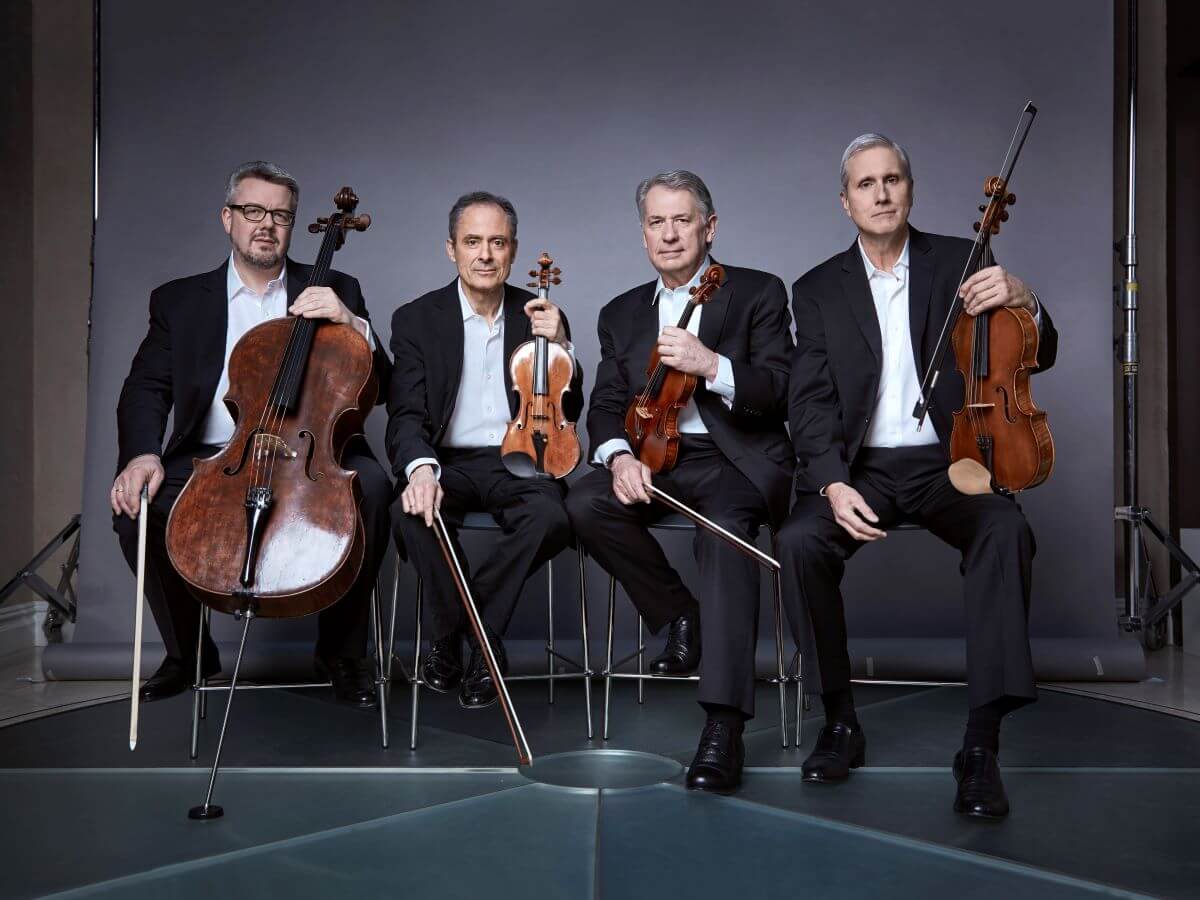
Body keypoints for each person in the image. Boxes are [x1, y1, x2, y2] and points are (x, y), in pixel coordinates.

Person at [778, 134, 1058, 818]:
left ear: (910, 188)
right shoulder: (816, 289)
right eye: (865, 183)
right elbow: (808, 403)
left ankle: (981, 745)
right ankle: (839, 721)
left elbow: (1037, 352)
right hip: (861, 468)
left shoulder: (963, 261)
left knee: (1004, 530)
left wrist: (1026, 297)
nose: (881, 194)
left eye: (892, 179)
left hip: (950, 460)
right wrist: (832, 482)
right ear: (845, 202)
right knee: (799, 542)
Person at [112, 160, 393, 708]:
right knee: (137, 509)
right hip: (217, 455)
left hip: (313, 450)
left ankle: (342, 654)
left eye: (280, 215)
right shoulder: (179, 300)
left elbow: (383, 384)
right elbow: (146, 386)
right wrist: (142, 454)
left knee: (375, 492)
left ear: (292, 225)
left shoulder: (336, 287)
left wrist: (351, 323)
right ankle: (190, 654)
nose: (266, 224)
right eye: (253, 211)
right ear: (228, 218)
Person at [567, 171, 794, 793]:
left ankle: (724, 724)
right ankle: (679, 615)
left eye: (682, 220)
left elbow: (780, 390)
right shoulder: (620, 313)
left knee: (724, 533)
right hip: (653, 456)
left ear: (709, 228)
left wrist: (713, 365)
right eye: (656, 222)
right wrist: (618, 457)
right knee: (585, 503)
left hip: (733, 458)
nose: (669, 234)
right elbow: (605, 405)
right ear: (643, 234)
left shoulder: (758, 292)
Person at [387, 191, 583, 709]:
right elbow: (405, 414)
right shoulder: (416, 319)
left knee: (551, 518)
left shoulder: (538, 314)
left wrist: (562, 345)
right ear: (451, 249)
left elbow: (569, 409)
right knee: (410, 514)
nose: (485, 255)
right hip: (445, 462)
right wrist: (420, 470)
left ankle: (464, 638)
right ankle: (479, 641)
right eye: (472, 242)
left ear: (513, 250)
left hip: (518, 457)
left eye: (498, 242)